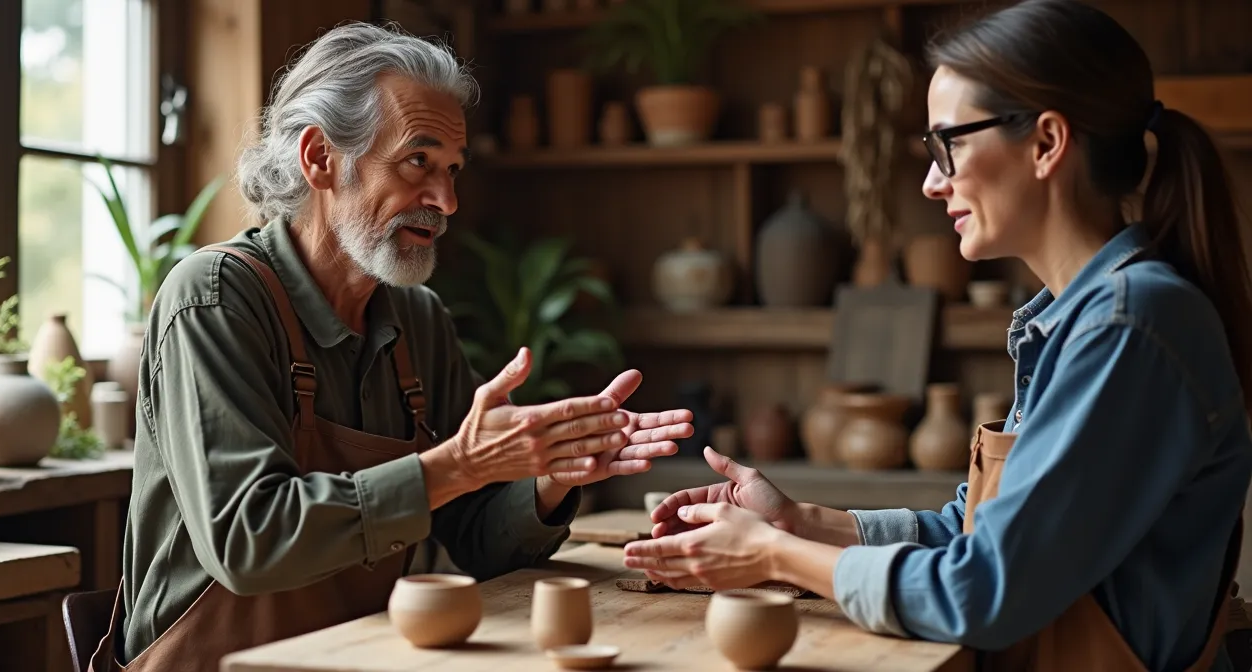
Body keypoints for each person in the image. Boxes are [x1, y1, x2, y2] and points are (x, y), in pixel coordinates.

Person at [622, 1, 1252, 670]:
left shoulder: (1129, 326)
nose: (930, 182)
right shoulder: (1082, 318)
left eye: (947, 145)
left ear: (1046, 143)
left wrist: (773, 556)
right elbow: (972, 535)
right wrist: (799, 522)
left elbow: (981, 591)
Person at [95, 22, 693, 670]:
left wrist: (549, 476)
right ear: (320, 157)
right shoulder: (214, 300)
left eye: (453, 170)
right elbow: (249, 540)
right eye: (418, 162)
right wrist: (460, 464)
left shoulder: (417, 320)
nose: (446, 200)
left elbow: (477, 538)